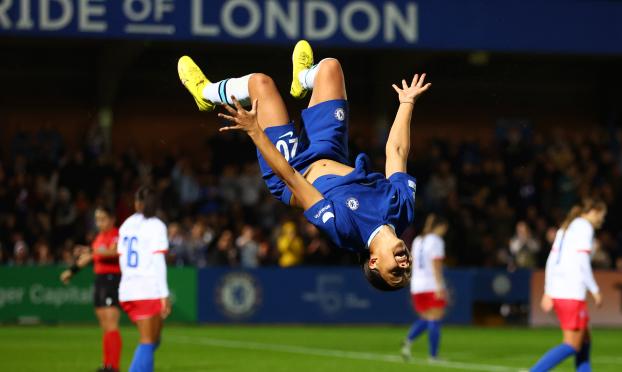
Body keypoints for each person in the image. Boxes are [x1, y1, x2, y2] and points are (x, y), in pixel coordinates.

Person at [177, 40, 430, 290]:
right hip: (329, 151)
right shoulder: (403, 210)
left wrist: (255, 131)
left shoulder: (345, 231)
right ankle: (302, 77)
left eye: (396, 270)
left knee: (260, 83)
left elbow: (292, 179)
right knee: (330, 67)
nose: (404, 264)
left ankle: (205, 94)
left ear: (373, 262)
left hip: (291, 167)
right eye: (407, 269)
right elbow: (396, 152)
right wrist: (407, 103)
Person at [530, 198, 607, 372]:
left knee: (585, 340)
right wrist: (594, 289)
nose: (602, 219)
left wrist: (548, 291)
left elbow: (551, 260)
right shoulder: (584, 227)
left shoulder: (566, 228)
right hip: (572, 292)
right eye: (602, 215)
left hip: (560, 290)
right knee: (572, 344)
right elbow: (582, 261)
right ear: (593, 211)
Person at [60, 206, 122, 372]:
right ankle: (107, 364)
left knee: (111, 323)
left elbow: (115, 252)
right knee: (104, 324)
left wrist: (91, 250)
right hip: (101, 280)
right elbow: (90, 256)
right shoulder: (99, 237)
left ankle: (113, 367)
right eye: (97, 219)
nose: (99, 222)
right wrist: (71, 271)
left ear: (112, 219)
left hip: (112, 279)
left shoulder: (116, 235)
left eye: (103, 219)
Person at [118, 186, 171, 372]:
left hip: (127, 289)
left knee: (153, 339)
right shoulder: (156, 225)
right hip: (146, 289)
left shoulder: (125, 225)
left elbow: (122, 258)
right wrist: (164, 294)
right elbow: (158, 260)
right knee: (149, 341)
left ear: (136, 203)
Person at [401, 214, 448, 362]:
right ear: (439, 227)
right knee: (435, 318)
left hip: (417, 285)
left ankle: (408, 341)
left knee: (428, 318)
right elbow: (436, 264)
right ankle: (433, 356)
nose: (444, 231)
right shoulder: (436, 241)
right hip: (431, 284)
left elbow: (412, 262)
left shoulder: (418, 240)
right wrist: (439, 285)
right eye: (444, 228)